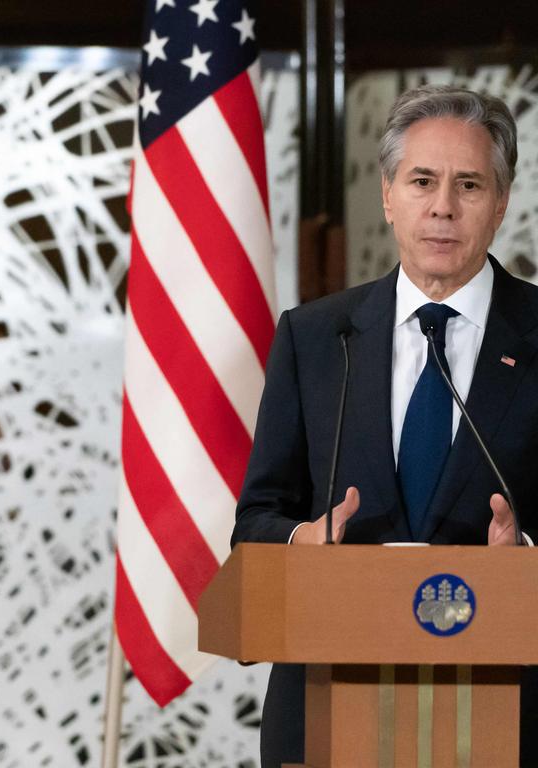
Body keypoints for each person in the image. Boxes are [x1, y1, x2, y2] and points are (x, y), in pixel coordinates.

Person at [233, 84, 538, 766]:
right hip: (331, 707)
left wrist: (526, 565)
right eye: (422, 180)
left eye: (469, 184)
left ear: (502, 202)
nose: (442, 207)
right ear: (387, 195)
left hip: (510, 717)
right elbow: (256, 517)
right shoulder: (315, 337)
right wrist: (300, 541)